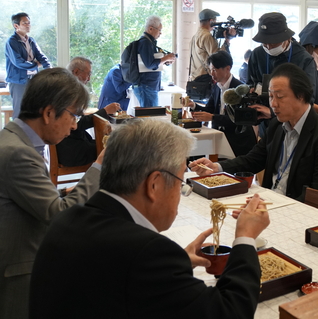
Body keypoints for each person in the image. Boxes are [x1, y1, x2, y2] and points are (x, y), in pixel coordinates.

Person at [30, 118, 270, 319]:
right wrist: (245, 238)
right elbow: (230, 311)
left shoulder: (68, 219)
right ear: (154, 184)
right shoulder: (147, 254)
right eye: (180, 182)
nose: (179, 194)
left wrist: (176, 266)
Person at [0, 68, 101, 319]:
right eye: (74, 115)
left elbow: (24, 197)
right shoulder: (18, 152)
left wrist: (64, 191)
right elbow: (59, 215)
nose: (75, 125)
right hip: (18, 274)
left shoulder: (14, 140)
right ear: (48, 113)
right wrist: (100, 166)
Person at [190, 63, 318, 201]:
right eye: (270, 96)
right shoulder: (277, 125)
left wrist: (278, 206)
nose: (273, 104)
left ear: (301, 96)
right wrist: (216, 167)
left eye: (280, 97)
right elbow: (253, 160)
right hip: (270, 200)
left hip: (298, 209)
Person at [184, 51, 257, 157]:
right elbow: (210, 109)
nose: (212, 74)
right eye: (210, 70)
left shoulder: (240, 89)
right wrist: (193, 105)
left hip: (237, 141)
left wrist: (213, 117)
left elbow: (238, 120)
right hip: (219, 136)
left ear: (227, 68)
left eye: (214, 70)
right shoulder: (216, 87)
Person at [56, 57, 119, 167]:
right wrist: (105, 111)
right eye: (88, 74)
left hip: (71, 146)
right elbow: (77, 124)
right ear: (76, 72)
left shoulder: (63, 88)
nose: (89, 79)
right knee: (119, 147)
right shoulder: (67, 93)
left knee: (114, 142)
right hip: (72, 152)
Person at [247, 12, 318, 105]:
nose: (268, 47)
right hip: (260, 109)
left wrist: (272, 111)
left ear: (287, 38)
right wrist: (251, 89)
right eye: (264, 42)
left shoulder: (304, 59)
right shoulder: (257, 54)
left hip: (291, 112)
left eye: (273, 43)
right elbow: (250, 82)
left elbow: (308, 98)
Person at [4, 12, 51, 118]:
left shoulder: (31, 40)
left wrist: (49, 68)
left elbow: (41, 56)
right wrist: (35, 65)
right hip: (18, 81)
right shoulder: (12, 42)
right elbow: (18, 62)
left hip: (33, 79)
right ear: (16, 26)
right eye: (24, 23)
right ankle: (17, 129)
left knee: (33, 109)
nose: (28, 25)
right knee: (20, 110)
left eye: (29, 23)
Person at [134, 15, 176, 107]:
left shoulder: (149, 42)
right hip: (146, 86)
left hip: (149, 86)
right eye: (159, 30)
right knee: (151, 114)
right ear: (150, 29)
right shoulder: (145, 42)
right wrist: (166, 58)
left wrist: (165, 61)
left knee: (152, 113)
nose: (160, 33)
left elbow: (151, 62)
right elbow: (150, 64)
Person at [189, 9, 234, 80]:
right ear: (211, 21)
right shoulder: (207, 36)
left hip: (195, 78)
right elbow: (218, 58)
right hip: (205, 79)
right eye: (215, 21)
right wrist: (227, 40)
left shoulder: (195, 36)